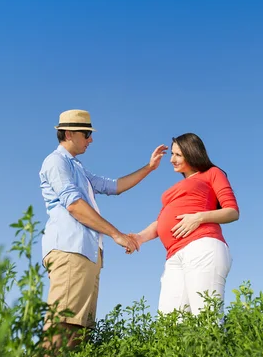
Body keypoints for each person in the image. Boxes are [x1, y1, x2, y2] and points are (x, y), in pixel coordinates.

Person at [39, 109, 167, 351]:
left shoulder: (77, 167)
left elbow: (113, 186)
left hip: (86, 254)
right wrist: (116, 234)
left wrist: (149, 168)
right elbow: (75, 206)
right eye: (86, 133)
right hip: (70, 250)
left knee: (80, 330)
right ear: (68, 133)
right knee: (63, 326)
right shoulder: (55, 162)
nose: (91, 139)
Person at [130, 133, 239, 315]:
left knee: (206, 318)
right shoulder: (177, 188)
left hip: (202, 246)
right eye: (172, 154)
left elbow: (232, 212)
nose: (172, 159)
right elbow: (161, 221)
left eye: (178, 155)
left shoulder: (212, 173)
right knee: (170, 324)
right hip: (174, 255)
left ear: (192, 152)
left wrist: (198, 218)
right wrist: (139, 238)